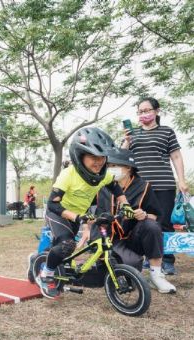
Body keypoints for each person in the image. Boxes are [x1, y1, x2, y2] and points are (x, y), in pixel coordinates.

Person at [38, 127, 135, 299]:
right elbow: (53, 206)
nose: (99, 162)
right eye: (93, 157)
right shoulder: (68, 175)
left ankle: (47, 258)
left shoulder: (103, 175)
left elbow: (115, 188)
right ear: (79, 156)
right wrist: (77, 217)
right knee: (66, 245)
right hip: (60, 214)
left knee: (65, 249)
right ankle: (46, 273)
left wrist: (126, 205)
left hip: (79, 215)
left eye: (102, 157)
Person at [122, 97, 189, 275]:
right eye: (140, 111)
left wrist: (181, 180)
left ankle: (167, 260)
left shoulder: (167, 131)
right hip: (139, 188)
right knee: (141, 222)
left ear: (156, 111)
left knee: (164, 223)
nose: (144, 114)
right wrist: (127, 141)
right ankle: (147, 258)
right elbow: (122, 157)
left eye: (147, 110)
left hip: (163, 184)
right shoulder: (133, 133)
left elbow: (176, 156)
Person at [94, 148, 176, 293]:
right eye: (109, 166)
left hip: (132, 238)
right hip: (108, 239)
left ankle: (156, 276)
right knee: (126, 274)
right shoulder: (101, 186)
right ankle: (115, 264)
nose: (110, 169)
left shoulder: (143, 186)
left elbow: (155, 215)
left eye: (114, 165)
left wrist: (143, 215)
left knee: (152, 226)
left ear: (128, 168)